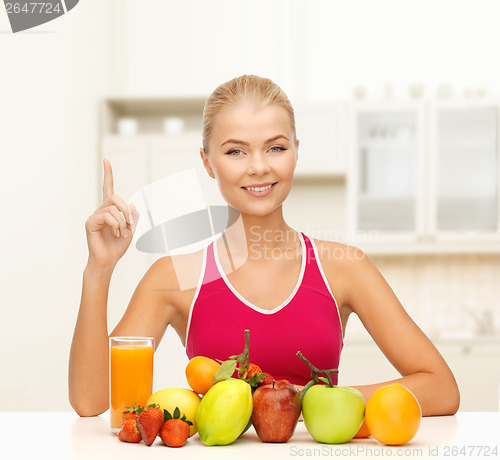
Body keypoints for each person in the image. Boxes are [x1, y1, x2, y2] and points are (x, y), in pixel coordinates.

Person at [69, 75, 460, 418]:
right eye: (235, 151)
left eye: (275, 147)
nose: (258, 166)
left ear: (295, 151)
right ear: (207, 162)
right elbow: (91, 401)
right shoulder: (174, 277)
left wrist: (312, 400)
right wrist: (99, 270)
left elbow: (441, 388)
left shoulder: (343, 267)